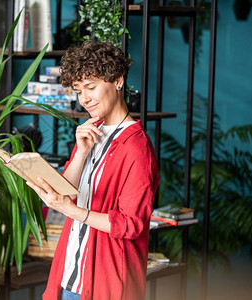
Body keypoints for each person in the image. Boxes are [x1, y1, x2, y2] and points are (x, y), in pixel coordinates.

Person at [26, 41, 159, 300]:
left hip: (105, 281)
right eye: (78, 90)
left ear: (118, 81)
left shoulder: (136, 147)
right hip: (69, 274)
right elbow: (67, 190)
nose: (84, 98)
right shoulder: (90, 131)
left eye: (91, 87)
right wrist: (82, 151)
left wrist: (70, 210)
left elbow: (131, 224)